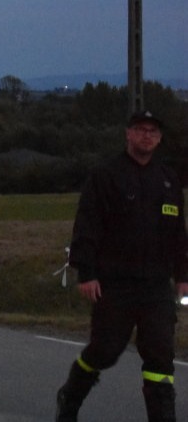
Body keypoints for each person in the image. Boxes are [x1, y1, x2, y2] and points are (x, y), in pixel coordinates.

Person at [55, 111, 188, 422]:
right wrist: (86, 273)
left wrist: (183, 276)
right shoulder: (106, 175)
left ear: (159, 138)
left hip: (156, 286)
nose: (146, 136)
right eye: (140, 129)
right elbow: (87, 226)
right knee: (105, 350)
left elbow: (179, 235)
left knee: (160, 355)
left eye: (152, 131)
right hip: (115, 284)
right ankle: (70, 396)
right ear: (128, 134)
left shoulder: (168, 181)